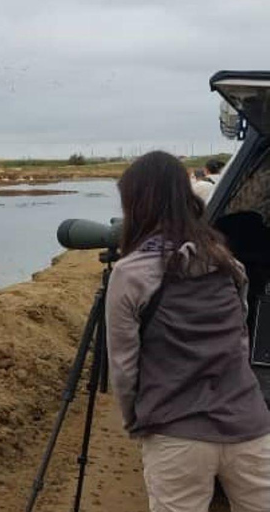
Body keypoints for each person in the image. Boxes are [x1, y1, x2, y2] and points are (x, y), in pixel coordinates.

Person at [105, 151, 270, 512]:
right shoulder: (227, 261)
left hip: (176, 434)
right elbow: (239, 338)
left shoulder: (131, 273)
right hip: (250, 426)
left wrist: (137, 420)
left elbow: (123, 366)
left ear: (138, 205)